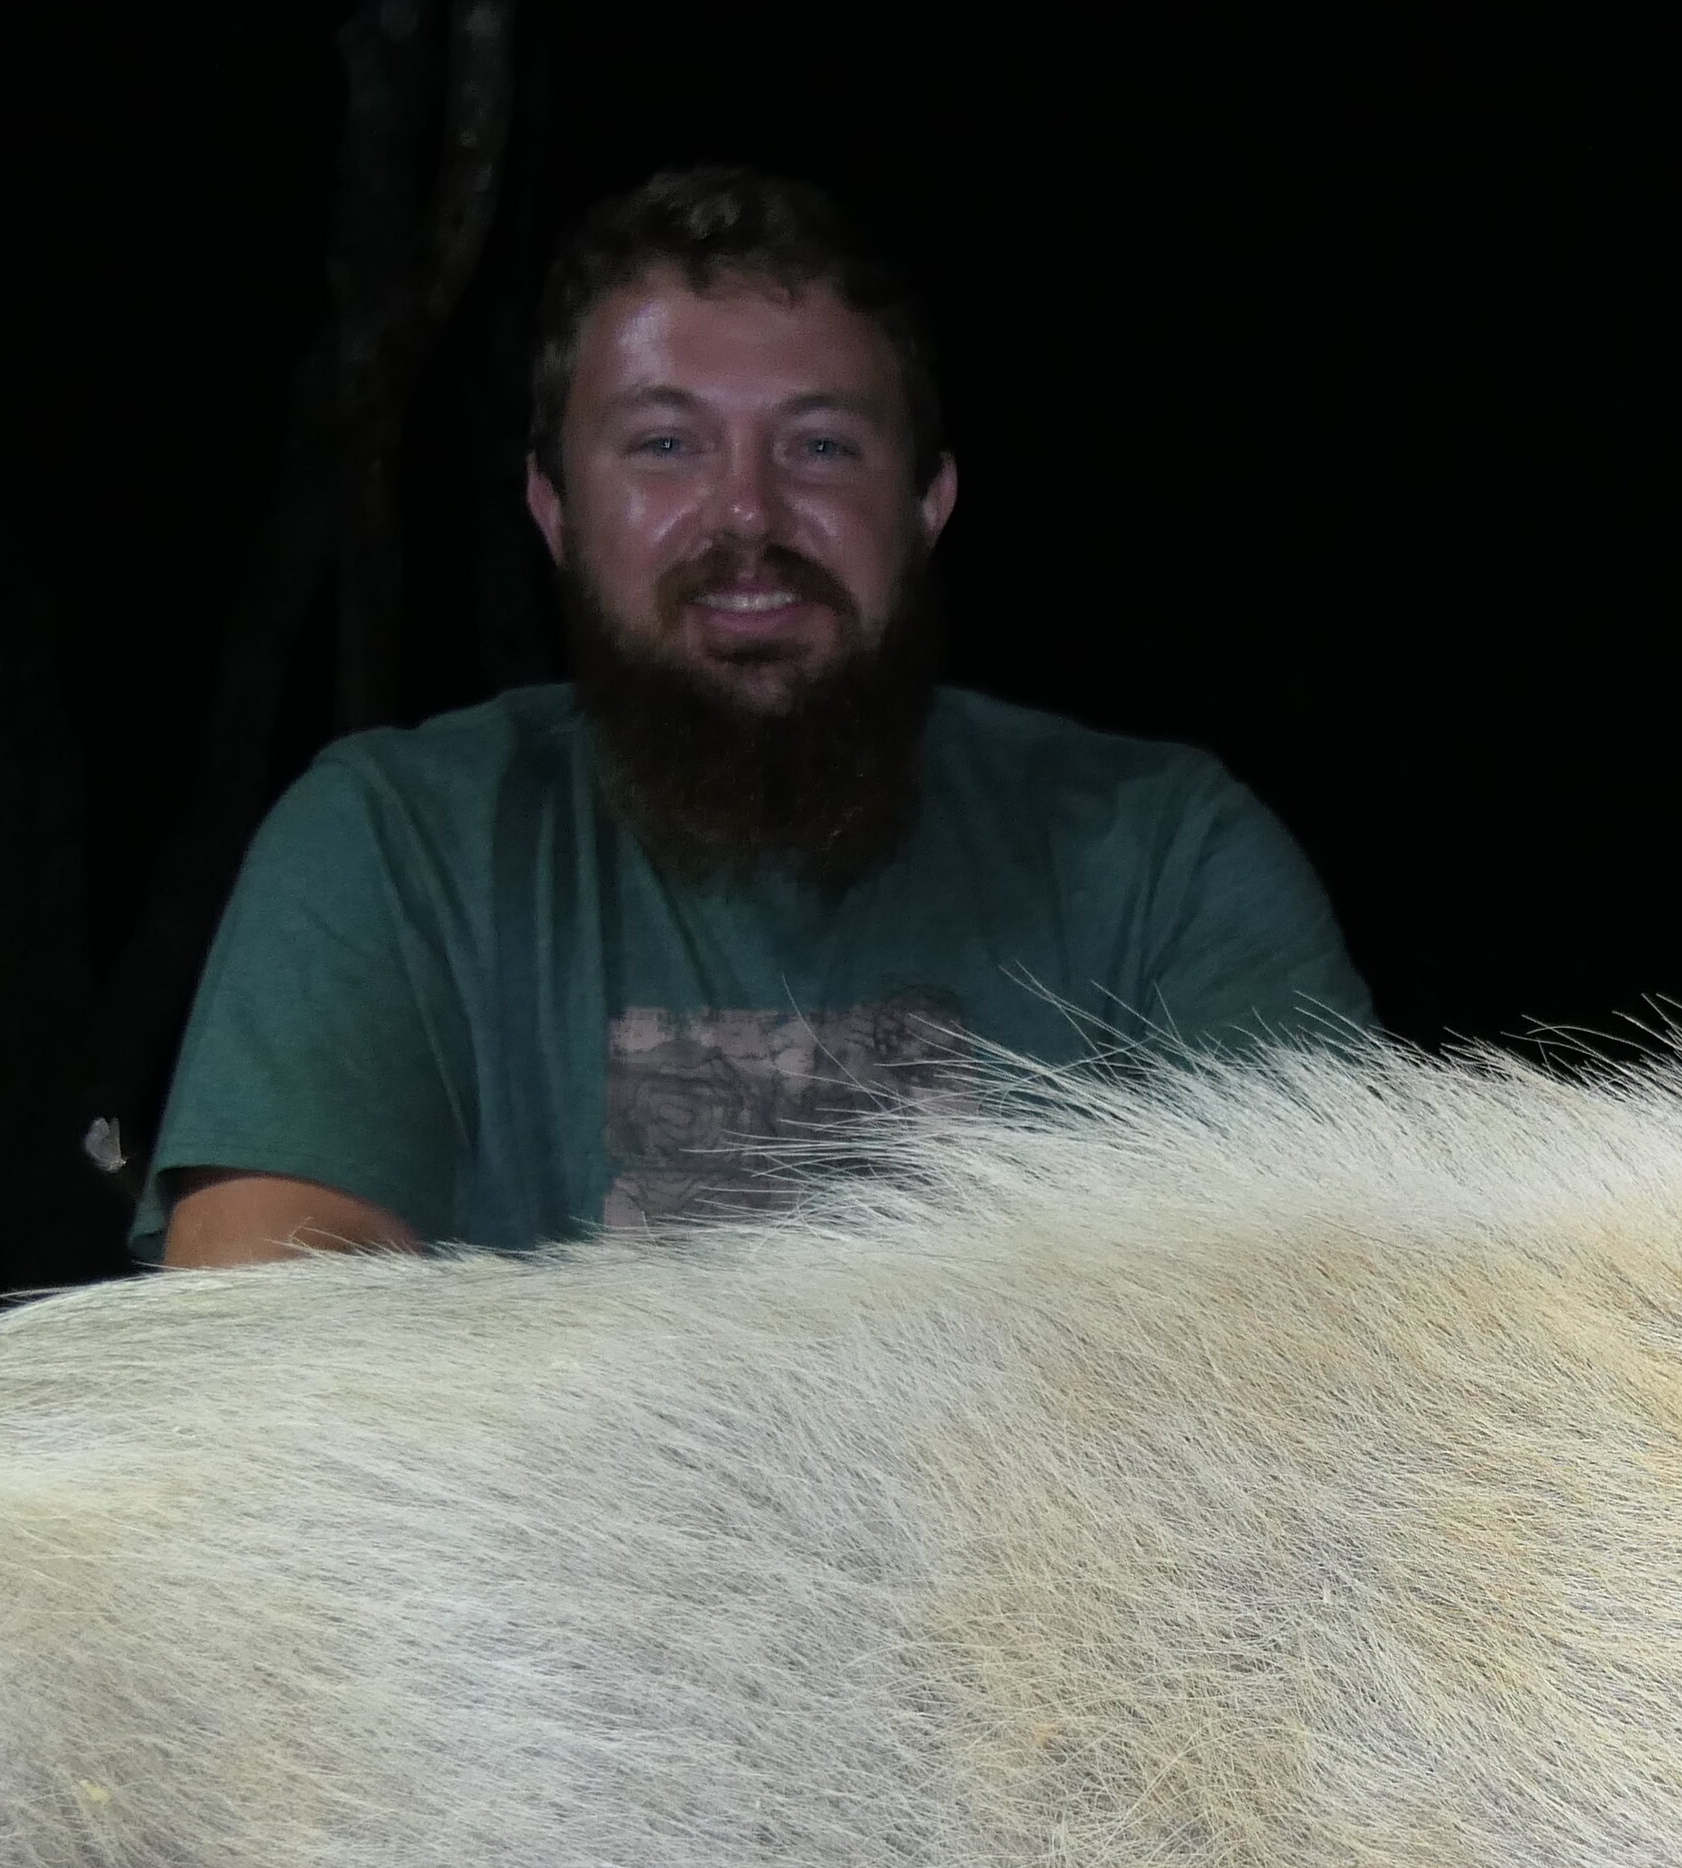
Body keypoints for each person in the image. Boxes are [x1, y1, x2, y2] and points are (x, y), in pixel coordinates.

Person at [143, 168, 1372, 1264]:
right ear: (556, 510)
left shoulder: (1166, 860)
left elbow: (1322, 1312)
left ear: (928, 506)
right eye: (666, 443)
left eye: (823, 448)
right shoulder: (390, 845)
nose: (745, 516)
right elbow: (262, 1341)